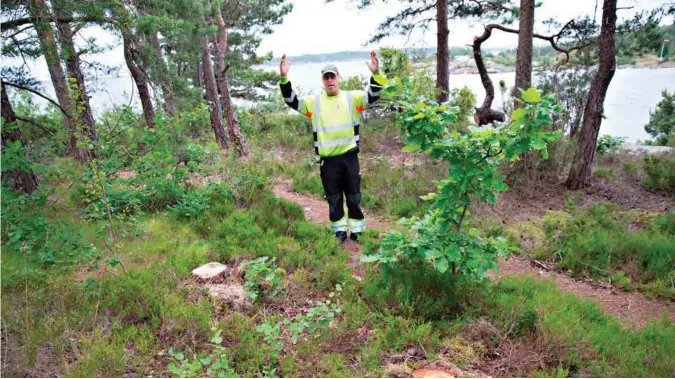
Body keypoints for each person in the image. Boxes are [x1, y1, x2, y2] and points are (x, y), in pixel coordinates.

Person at [279, 51, 387, 243]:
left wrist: (376, 73)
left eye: (333, 76)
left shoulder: (351, 98)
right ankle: (339, 231)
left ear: (339, 78)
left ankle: (357, 230)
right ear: (323, 80)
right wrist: (284, 78)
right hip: (328, 161)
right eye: (326, 77)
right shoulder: (315, 102)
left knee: (353, 196)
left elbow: (373, 96)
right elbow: (292, 101)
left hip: (350, 157)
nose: (330, 80)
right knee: (334, 197)